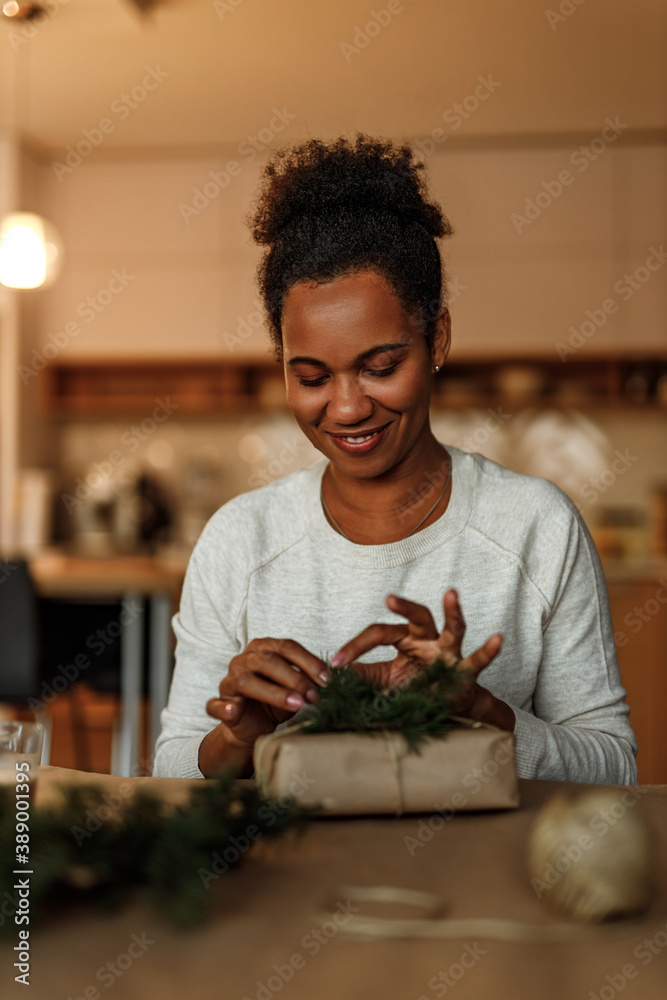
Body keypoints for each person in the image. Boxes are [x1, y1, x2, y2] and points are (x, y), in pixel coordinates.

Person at [153, 135, 637, 784]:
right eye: (312, 376)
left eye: (379, 367)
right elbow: (171, 775)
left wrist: (481, 712)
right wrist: (239, 735)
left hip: (484, 882)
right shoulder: (239, 541)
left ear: (436, 337)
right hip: (285, 884)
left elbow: (613, 770)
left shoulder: (535, 526)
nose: (347, 408)